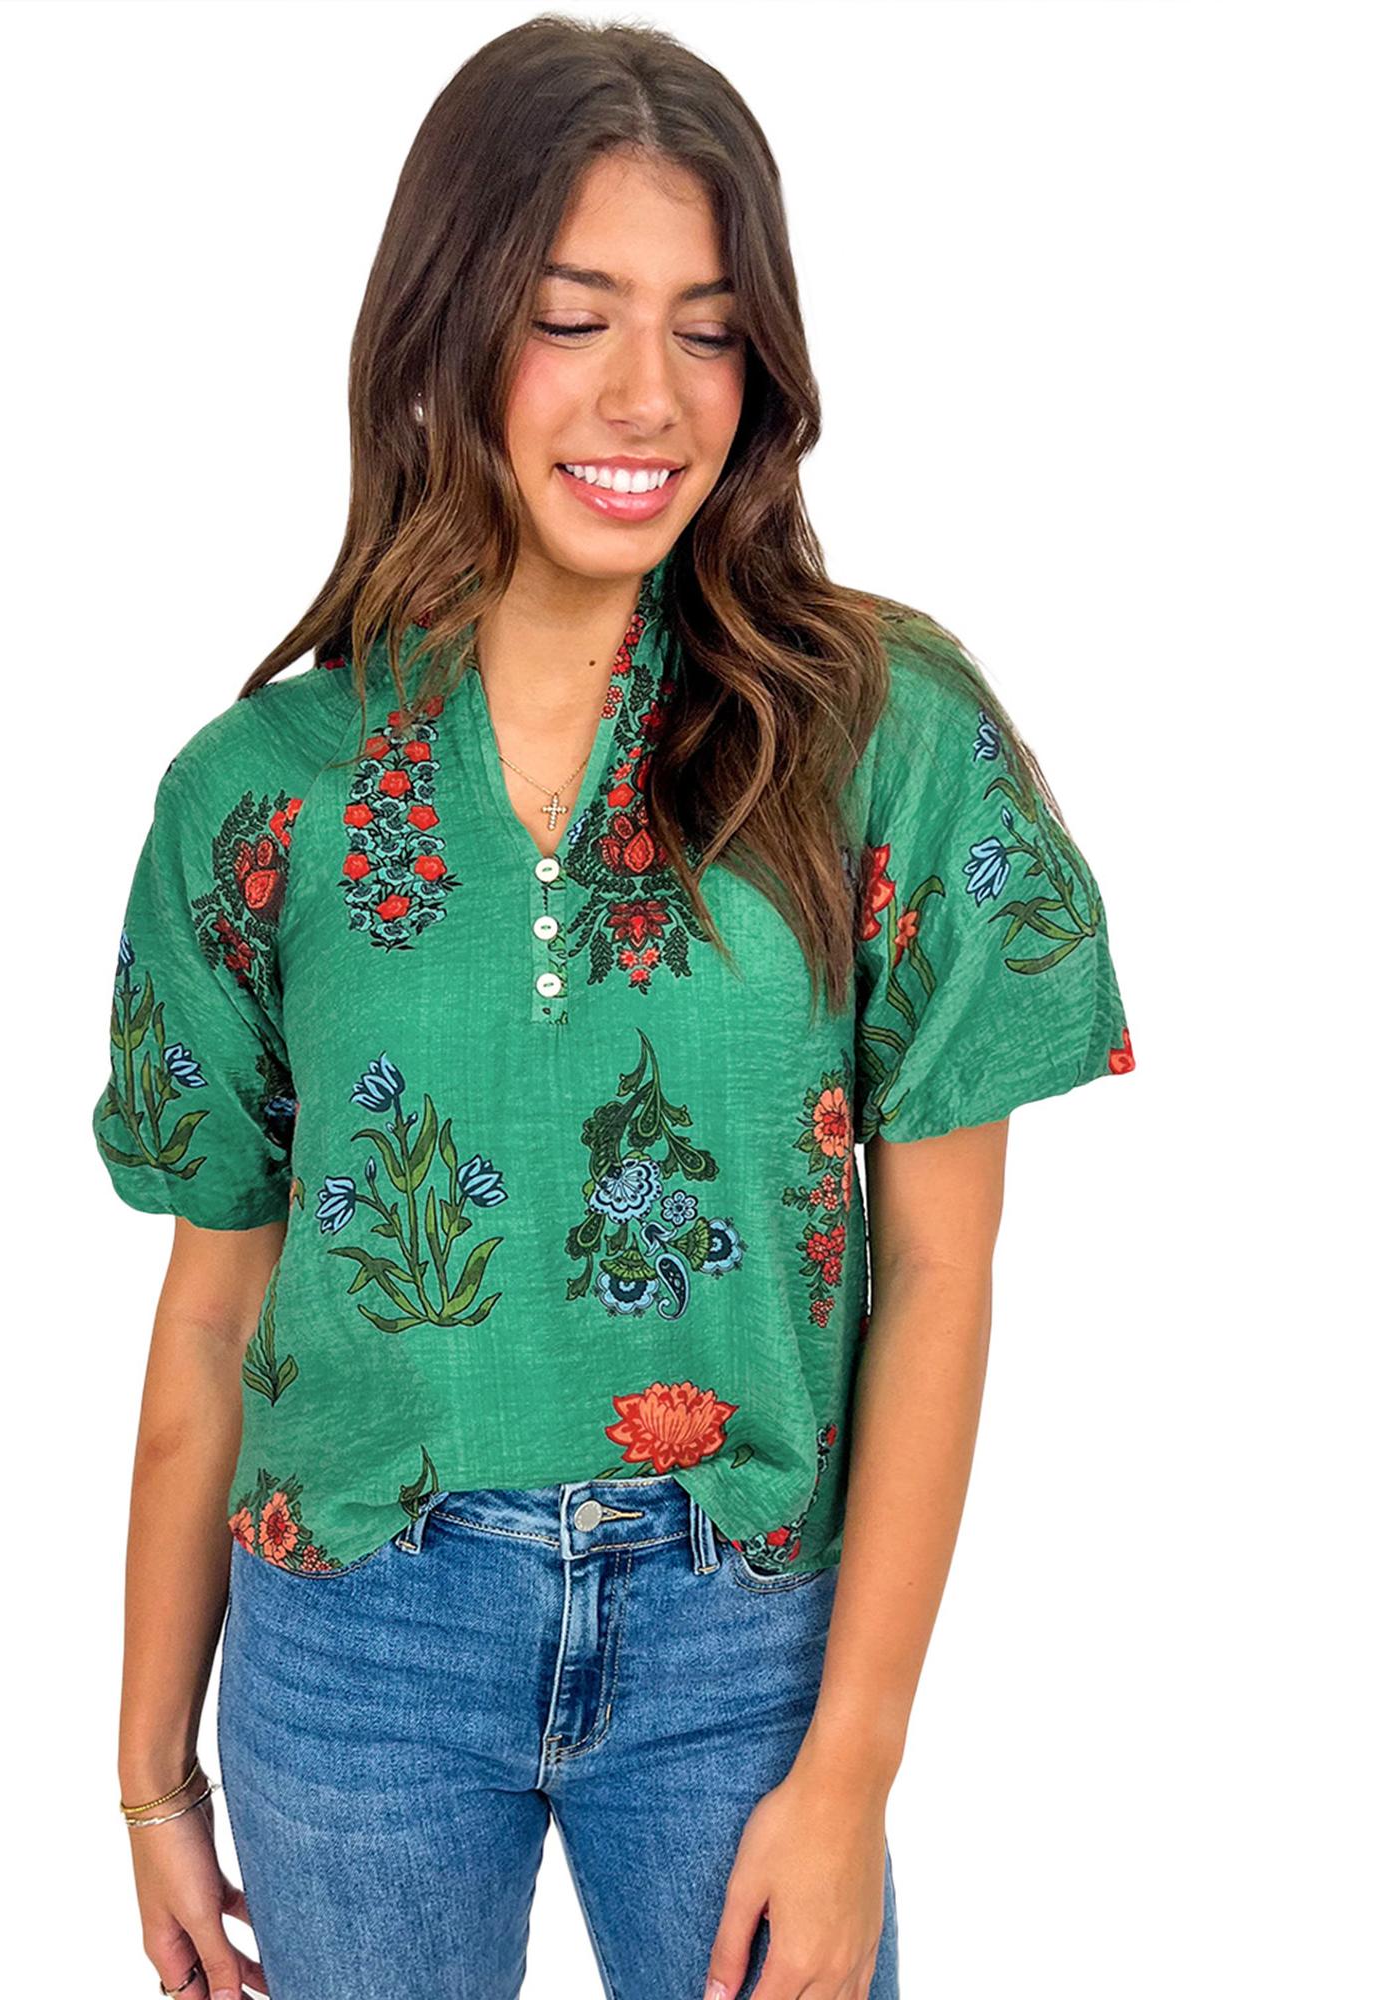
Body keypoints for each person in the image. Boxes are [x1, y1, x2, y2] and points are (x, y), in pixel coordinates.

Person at [94, 18, 1135, 2000]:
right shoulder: (257, 796)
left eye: (708, 329)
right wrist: (148, 1777)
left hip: (746, 1634)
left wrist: (850, 1772)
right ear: (446, 326)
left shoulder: (880, 733)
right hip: (355, 1647)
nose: (646, 394)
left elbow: (939, 1271)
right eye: (572, 318)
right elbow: (213, 1309)